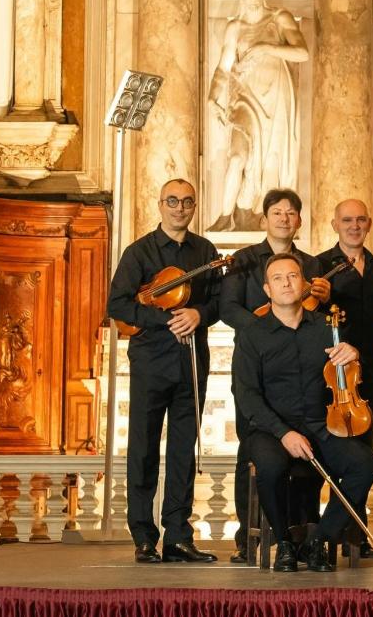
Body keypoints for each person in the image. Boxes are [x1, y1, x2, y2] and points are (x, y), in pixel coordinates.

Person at [233, 253, 373, 573]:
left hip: (320, 424)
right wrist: (284, 433)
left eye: (293, 276)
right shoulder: (251, 335)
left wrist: (354, 353)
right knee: (270, 466)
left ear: (304, 284)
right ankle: (285, 543)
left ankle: (319, 540)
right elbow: (246, 396)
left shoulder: (327, 329)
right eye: (278, 278)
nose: (287, 283)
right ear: (268, 290)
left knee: (365, 464)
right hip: (270, 430)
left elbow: (350, 373)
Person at [107, 179, 222, 564]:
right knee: (142, 449)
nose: (179, 208)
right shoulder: (139, 252)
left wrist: (199, 314)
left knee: (183, 452)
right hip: (150, 363)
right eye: (172, 201)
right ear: (160, 204)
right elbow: (117, 305)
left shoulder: (205, 251)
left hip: (191, 361)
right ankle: (143, 536)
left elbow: (219, 301)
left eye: (187, 202)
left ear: (194, 207)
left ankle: (178, 537)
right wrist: (165, 318)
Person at [219, 188, 331, 564]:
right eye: (277, 212)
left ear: (299, 220)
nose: (284, 218)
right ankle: (247, 538)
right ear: (264, 219)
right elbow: (227, 307)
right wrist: (266, 330)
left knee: (306, 449)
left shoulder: (312, 263)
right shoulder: (244, 259)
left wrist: (324, 298)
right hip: (257, 366)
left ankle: (302, 531)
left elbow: (313, 314)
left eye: (291, 213)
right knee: (255, 450)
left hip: (300, 372)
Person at [207, 0, 308, 232]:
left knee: (267, 161)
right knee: (237, 157)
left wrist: (266, 48)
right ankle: (225, 216)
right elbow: (223, 66)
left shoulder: (279, 18)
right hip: (245, 96)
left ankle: (251, 213)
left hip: (276, 97)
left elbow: (302, 53)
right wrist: (212, 98)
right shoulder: (235, 27)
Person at [315, 198, 373, 557]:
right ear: (335, 225)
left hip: (367, 373)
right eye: (347, 220)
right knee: (336, 454)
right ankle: (326, 532)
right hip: (333, 375)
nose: (354, 226)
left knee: (365, 449)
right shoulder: (319, 267)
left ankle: (355, 535)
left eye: (360, 220)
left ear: (369, 224)